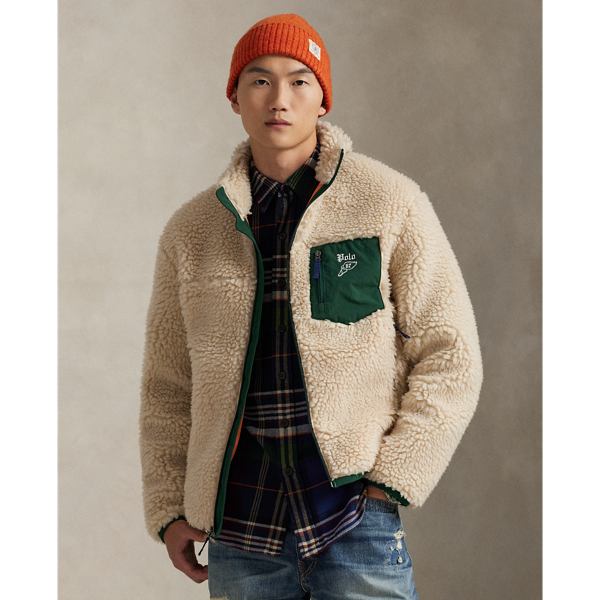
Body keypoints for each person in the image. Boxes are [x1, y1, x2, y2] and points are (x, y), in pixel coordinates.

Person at [140, 13, 483, 600]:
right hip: (240, 527)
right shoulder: (191, 232)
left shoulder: (389, 202)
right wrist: (170, 508)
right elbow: (168, 386)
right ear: (235, 98)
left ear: (323, 99)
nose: (279, 98)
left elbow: (450, 352)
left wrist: (394, 479)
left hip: (354, 517)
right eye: (259, 80)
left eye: (299, 81)